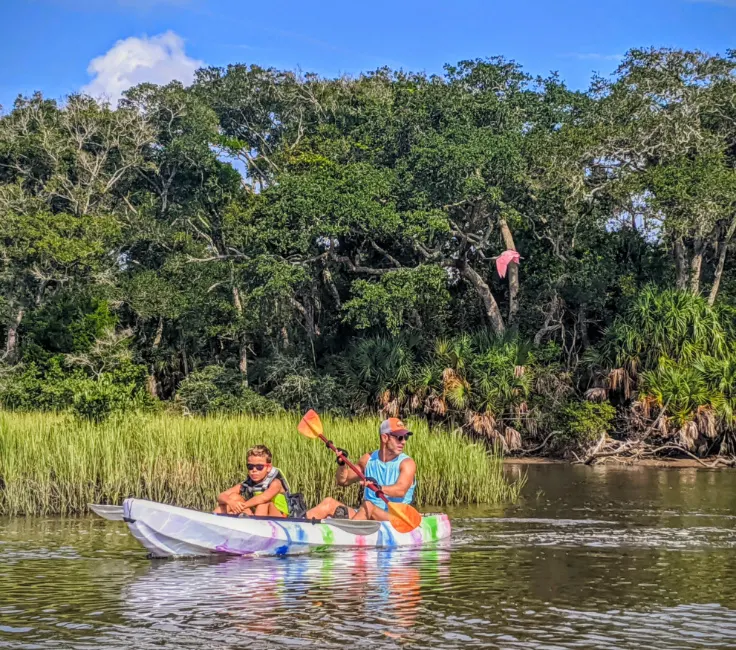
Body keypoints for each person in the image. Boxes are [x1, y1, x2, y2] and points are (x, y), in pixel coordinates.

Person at [305, 418, 417, 522]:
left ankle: (347, 538)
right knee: (328, 503)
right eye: (399, 437)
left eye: (405, 437)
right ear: (384, 437)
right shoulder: (368, 460)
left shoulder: (407, 463)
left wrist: (379, 488)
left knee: (368, 505)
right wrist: (342, 464)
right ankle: (296, 526)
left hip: (396, 519)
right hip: (366, 515)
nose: (403, 442)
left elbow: (401, 490)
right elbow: (343, 480)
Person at [214, 445, 291, 517]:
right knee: (233, 497)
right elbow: (221, 496)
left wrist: (239, 507)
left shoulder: (276, 483)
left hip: (280, 518)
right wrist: (231, 502)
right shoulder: (247, 483)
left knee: (264, 503)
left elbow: (263, 498)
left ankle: (255, 526)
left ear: (268, 467)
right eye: (250, 466)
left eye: (259, 467)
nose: (254, 470)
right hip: (259, 515)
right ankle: (213, 520)